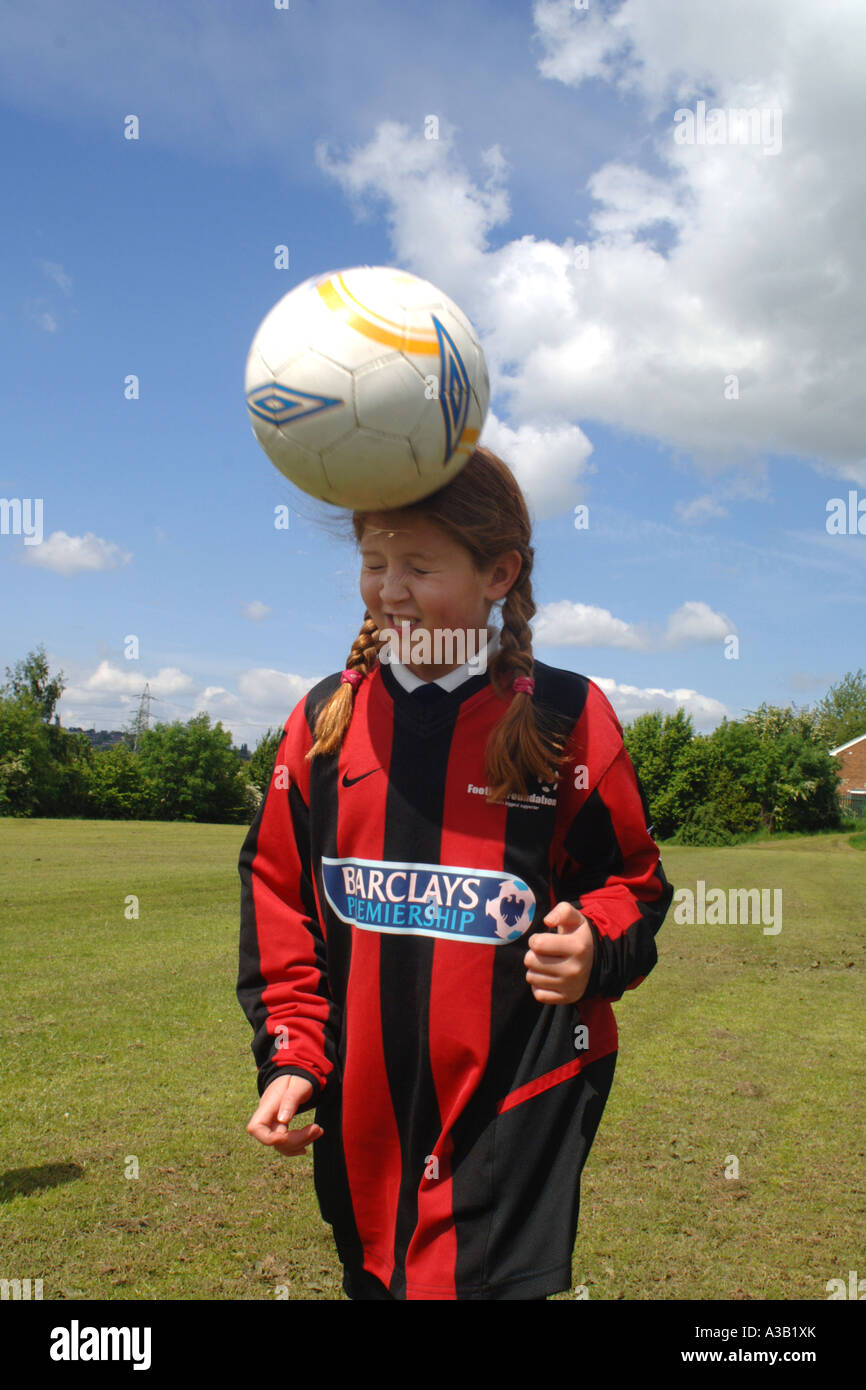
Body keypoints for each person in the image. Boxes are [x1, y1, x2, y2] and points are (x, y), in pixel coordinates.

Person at [237, 445, 673, 1301]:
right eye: (373, 563)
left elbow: (635, 882)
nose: (389, 590)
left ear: (498, 572)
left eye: (418, 566)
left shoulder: (566, 719)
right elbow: (279, 899)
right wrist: (293, 1054)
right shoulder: (324, 722)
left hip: (512, 1131)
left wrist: (596, 944)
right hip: (365, 1130)